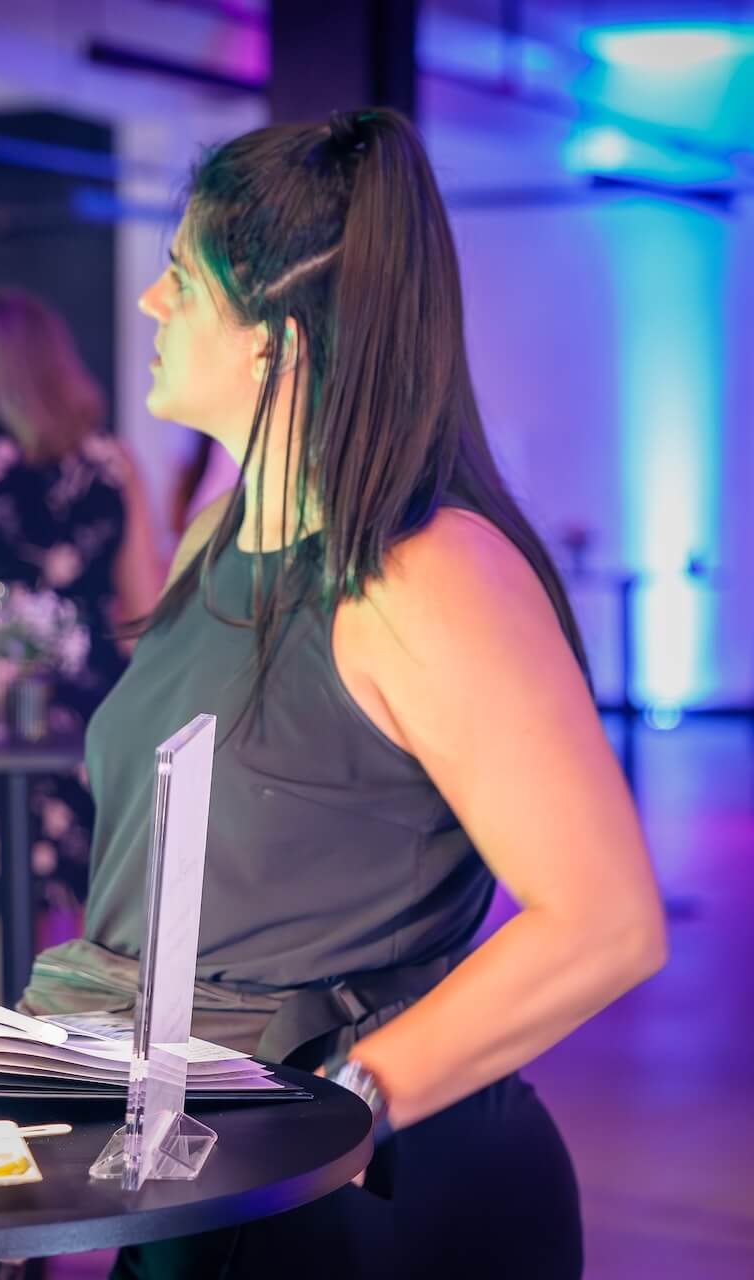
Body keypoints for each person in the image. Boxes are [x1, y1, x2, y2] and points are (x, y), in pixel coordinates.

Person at [83, 109, 664, 1276]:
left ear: (276, 342)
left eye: (179, 277)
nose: (150, 307)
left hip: (361, 1193)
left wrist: (343, 1105)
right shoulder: (215, 532)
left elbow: (605, 921)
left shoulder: (425, 572)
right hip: (196, 1157)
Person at [0, 288, 162, 1006]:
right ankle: (98, 1065)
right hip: (89, 704)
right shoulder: (114, 461)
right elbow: (146, 610)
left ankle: (0, 1062)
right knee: (96, 905)